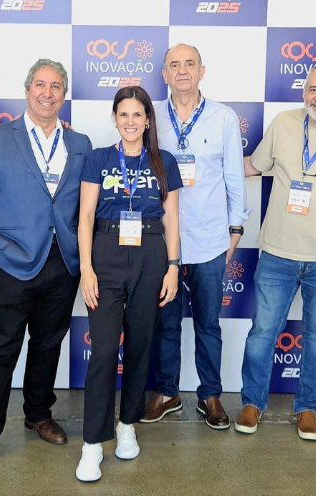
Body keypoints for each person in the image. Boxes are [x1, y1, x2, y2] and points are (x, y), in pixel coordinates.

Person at [0, 59, 92, 477]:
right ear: (27, 89)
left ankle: (38, 414)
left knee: (48, 345)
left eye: (56, 86)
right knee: (0, 351)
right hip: (10, 263)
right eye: (40, 85)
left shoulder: (81, 143)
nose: (47, 93)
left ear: (64, 94)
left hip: (63, 263)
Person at [236, 63, 316, 440]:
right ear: (304, 91)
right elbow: (253, 165)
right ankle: (252, 402)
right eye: (313, 89)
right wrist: (200, 170)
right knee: (263, 332)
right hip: (277, 252)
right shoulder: (284, 123)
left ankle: (307, 407)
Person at [75, 86, 181, 482]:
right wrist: (87, 268)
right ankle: (92, 443)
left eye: (138, 114)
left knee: (140, 345)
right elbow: (85, 216)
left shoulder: (164, 161)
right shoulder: (99, 159)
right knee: (104, 350)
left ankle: (127, 424)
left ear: (148, 120)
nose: (131, 121)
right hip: (105, 253)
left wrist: (173, 266)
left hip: (151, 254)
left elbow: (172, 218)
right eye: (124, 114)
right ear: (115, 118)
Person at [143, 43, 250, 429]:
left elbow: (234, 175)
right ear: (165, 75)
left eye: (190, 64)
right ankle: (167, 392)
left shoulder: (223, 117)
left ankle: (210, 395)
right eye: (174, 65)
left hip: (209, 239)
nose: (183, 71)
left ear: (202, 71)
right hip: (163, 240)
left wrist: (235, 228)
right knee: (165, 322)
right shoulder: (151, 117)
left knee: (207, 324)